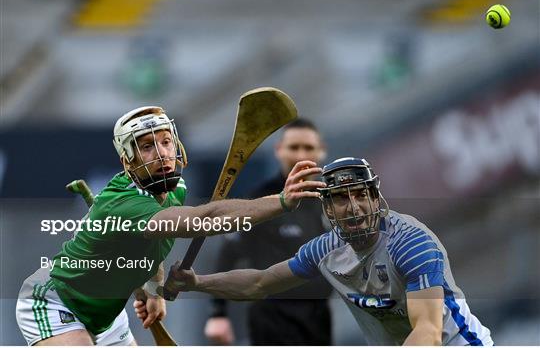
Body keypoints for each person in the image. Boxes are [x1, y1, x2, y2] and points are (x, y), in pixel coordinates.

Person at [15, 106, 324, 345]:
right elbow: (203, 220)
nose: (162, 152)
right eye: (147, 146)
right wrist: (280, 202)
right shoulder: (123, 204)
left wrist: (152, 289)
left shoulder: (174, 190)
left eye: (165, 142)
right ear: (128, 160)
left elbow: (150, 248)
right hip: (55, 304)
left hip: (106, 316)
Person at [167, 157, 494, 345]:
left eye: (360, 194)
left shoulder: (411, 242)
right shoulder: (324, 251)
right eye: (340, 198)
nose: (353, 207)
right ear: (328, 210)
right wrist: (197, 283)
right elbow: (259, 283)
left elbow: (429, 331)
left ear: (375, 198)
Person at [205, 118, 333, 345]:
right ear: (279, 150)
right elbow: (227, 254)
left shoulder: (331, 201)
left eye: (308, 147)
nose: (301, 155)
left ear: (321, 151)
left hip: (319, 316)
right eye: (294, 147)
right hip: (273, 319)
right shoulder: (260, 202)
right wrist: (218, 314)